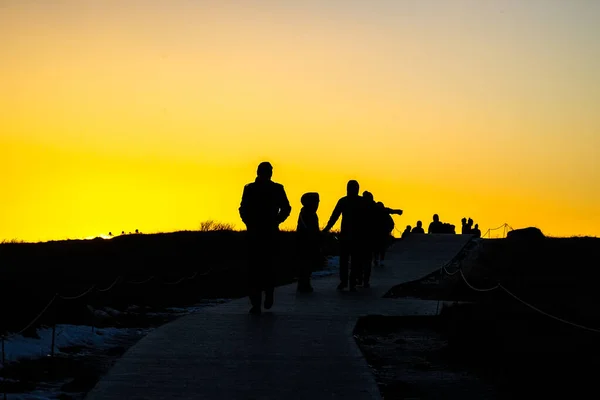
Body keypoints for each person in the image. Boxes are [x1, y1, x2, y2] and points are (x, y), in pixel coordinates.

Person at [239, 161, 291, 315]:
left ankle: (268, 294)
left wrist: (277, 220)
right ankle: (256, 303)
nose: (268, 174)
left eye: (270, 171)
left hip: (270, 233)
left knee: (269, 267)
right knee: (254, 269)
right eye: (266, 171)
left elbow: (286, 207)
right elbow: (243, 208)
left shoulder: (277, 188)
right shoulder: (250, 189)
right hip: (255, 233)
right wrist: (248, 222)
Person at [322, 180, 370, 292]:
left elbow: (367, 219)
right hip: (348, 237)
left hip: (356, 237)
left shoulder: (356, 201)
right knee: (348, 260)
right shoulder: (348, 201)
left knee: (353, 261)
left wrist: (326, 229)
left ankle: (349, 282)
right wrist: (326, 229)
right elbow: (334, 216)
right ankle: (346, 281)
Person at [296, 192, 321, 293]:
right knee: (305, 263)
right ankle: (303, 283)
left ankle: (305, 282)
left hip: (309, 242)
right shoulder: (306, 213)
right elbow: (308, 229)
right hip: (305, 242)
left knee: (307, 264)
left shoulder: (310, 213)